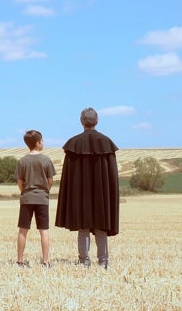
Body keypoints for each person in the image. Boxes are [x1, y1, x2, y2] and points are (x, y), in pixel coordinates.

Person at [55, 107, 120, 269]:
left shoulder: (74, 143)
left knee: (83, 225)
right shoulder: (106, 142)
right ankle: (103, 261)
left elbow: (68, 176)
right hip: (102, 192)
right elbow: (112, 176)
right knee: (101, 224)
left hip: (80, 193)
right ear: (96, 121)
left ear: (81, 122)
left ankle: (84, 261)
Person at [15, 129, 56, 267]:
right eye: (42, 140)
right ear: (38, 143)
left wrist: (25, 192)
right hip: (42, 199)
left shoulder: (22, 161)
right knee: (44, 230)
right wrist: (44, 191)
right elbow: (50, 181)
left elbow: (20, 182)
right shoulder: (46, 160)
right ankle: (46, 261)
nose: (43, 143)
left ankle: (20, 260)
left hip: (26, 198)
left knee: (23, 230)